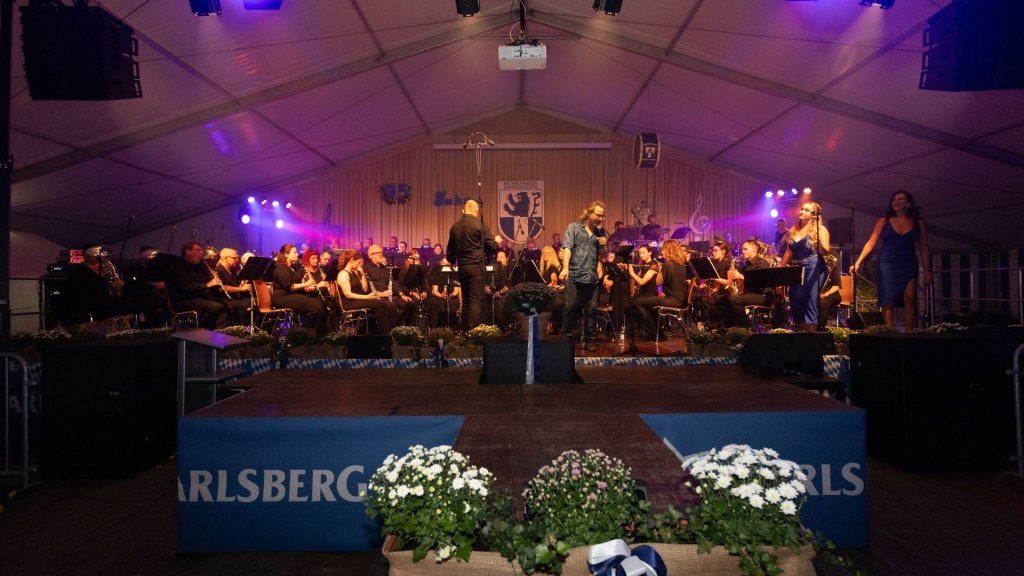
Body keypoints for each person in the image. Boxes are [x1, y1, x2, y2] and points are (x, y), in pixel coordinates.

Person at [851, 190, 931, 329]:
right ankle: (890, 332)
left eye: (900, 199)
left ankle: (908, 333)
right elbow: (871, 242)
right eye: (894, 199)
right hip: (887, 263)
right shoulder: (884, 221)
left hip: (908, 263)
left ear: (908, 203)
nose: (896, 201)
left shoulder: (918, 223)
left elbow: (924, 247)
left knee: (910, 297)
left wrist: (927, 270)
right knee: (888, 299)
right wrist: (858, 262)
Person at [445, 199, 501, 331]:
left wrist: (454, 260)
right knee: (476, 300)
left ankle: (465, 331)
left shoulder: (455, 227)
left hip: (462, 268)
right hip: (476, 267)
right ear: (476, 210)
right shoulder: (479, 224)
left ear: (463, 210)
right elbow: (492, 247)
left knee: (466, 300)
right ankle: (474, 332)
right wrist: (497, 241)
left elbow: (450, 255)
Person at [559, 200, 608, 351]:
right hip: (574, 274)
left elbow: (604, 255)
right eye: (598, 215)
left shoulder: (602, 233)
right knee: (570, 305)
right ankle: (566, 337)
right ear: (589, 213)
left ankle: (589, 339)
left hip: (591, 276)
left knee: (592, 308)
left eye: (603, 216)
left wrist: (603, 246)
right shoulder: (574, 228)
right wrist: (565, 268)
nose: (600, 218)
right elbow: (567, 248)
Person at [780, 202, 830, 330]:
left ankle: (811, 331)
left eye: (807, 210)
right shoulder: (794, 230)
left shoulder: (820, 229)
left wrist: (820, 243)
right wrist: (779, 270)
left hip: (813, 267)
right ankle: (802, 330)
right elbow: (788, 252)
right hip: (796, 269)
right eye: (802, 209)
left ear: (814, 215)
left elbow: (825, 251)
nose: (802, 211)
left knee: (810, 299)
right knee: (795, 299)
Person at [631, 239, 690, 339]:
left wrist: (660, 269)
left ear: (668, 250)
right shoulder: (682, 264)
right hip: (681, 300)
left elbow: (658, 282)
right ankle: (659, 333)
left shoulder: (668, 264)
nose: (662, 252)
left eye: (663, 249)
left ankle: (654, 333)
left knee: (636, 301)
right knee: (649, 303)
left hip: (672, 300)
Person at [166, 241, 230, 329]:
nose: (201, 253)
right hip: (183, 299)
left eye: (201, 250)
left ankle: (219, 331)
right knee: (216, 307)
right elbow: (186, 287)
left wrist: (213, 281)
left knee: (225, 304)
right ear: (188, 252)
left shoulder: (200, 265)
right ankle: (202, 328)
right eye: (197, 250)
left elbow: (205, 283)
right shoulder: (178, 266)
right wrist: (207, 285)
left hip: (198, 297)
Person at [336, 249, 398, 333]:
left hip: (359, 300)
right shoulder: (343, 274)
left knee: (385, 303)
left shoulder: (355, 272)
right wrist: (368, 297)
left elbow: (364, 289)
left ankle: (389, 331)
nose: (359, 265)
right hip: (349, 302)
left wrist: (362, 274)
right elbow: (348, 294)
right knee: (380, 304)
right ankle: (384, 333)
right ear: (352, 260)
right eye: (358, 262)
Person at [271, 244, 327, 335]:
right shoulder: (281, 268)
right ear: (286, 254)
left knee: (319, 304)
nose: (297, 254)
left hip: (291, 295)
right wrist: (306, 284)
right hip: (282, 297)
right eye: (294, 252)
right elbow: (289, 287)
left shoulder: (292, 268)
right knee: (316, 307)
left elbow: (296, 282)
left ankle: (311, 334)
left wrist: (304, 281)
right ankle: (301, 333)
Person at [65, 244, 126, 323]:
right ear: (85, 255)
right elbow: (84, 289)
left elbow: (108, 286)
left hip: (106, 303)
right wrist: (101, 276)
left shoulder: (102, 267)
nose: (97, 256)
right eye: (94, 254)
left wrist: (118, 284)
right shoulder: (77, 270)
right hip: (89, 305)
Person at [721, 240, 774, 328]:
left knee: (734, 300)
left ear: (754, 250)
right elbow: (739, 280)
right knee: (725, 300)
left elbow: (761, 282)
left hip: (763, 296)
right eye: (742, 249)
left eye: (745, 249)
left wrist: (741, 276)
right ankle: (728, 328)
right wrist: (732, 276)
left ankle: (746, 327)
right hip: (751, 294)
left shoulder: (761, 262)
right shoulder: (746, 265)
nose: (742, 251)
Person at [365, 244, 416, 326]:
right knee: (391, 307)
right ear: (370, 255)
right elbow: (366, 288)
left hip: (390, 297)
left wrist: (402, 295)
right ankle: (393, 328)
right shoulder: (366, 269)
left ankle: (403, 327)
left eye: (381, 252)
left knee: (409, 304)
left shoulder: (385, 268)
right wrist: (381, 294)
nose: (380, 254)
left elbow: (393, 283)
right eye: (377, 253)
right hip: (377, 298)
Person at [626, 244, 662, 339]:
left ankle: (652, 332)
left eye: (643, 252)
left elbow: (642, 282)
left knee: (633, 303)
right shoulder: (643, 265)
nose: (641, 255)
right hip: (643, 294)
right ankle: (647, 330)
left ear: (650, 253)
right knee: (628, 306)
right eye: (640, 253)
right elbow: (637, 279)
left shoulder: (653, 266)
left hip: (650, 295)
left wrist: (631, 272)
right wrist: (626, 268)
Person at [214, 247, 253, 326]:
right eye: (234, 258)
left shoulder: (232, 270)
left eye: (237, 258)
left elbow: (236, 283)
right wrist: (241, 288)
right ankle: (240, 328)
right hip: (224, 299)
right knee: (243, 305)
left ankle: (251, 326)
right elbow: (223, 288)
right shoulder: (218, 270)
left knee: (254, 302)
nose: (237, 260)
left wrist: (242, 283)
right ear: (226, 258)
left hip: (234, 298)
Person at [540, 245, 566, 334]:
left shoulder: (552, 266)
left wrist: (546, 288)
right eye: (543, 253)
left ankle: (549, 326)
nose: (545, 255)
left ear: (552, 255)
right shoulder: (542, 268)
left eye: (547, 253)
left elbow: (554, 281)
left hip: (551, 293)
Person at [818, 254, 843, 330]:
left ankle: (821, 326)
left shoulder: (832, 269)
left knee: (823, 302)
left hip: (832, 293)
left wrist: (826, 294)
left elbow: (836, 286)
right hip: (818, 294)